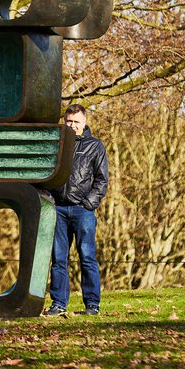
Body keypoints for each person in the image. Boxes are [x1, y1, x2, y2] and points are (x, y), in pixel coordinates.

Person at [44, 104, 109, 317]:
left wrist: (88, 203)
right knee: (58, 259)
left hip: (83, 211)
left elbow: (102, 180)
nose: (72, 126)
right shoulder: (56, 145)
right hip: (59, 209)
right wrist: (49, 200)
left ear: (84, 123)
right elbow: (46, 174)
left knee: (87, 257)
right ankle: (58, 303)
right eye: (69, 122)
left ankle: (92, 304)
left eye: (76, 122)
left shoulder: (95, 146)